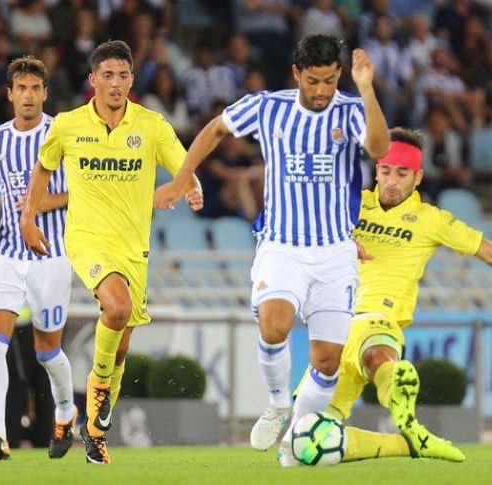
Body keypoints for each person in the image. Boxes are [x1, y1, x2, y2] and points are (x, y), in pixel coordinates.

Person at [280, 127, 492, 466]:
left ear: (417, 178)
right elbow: (303, 217)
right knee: (300, 448)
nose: (391, 180)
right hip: (331, 325)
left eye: (401, 173)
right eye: (385, 170)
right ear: (377, 170)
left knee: (376, 352)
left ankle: (394, 378)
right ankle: (407, 444)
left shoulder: (430, 220)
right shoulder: (351, 206)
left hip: (378, 318)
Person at [153, 33, 390, 457]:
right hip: (281, 245)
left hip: (336, 251)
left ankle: (296, 441)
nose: (321, 91)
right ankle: (279, 403)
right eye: (314, 81)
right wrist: (181, 176)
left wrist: (366, 88)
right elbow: (215, 129)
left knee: (326, 362)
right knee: (274, 325)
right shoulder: (267, 107)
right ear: (297, 73)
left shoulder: (352, 110)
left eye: (331, 81)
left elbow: (378, 148)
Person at [20, 40, 203, 465]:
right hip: (87, 238)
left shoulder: (152, 125)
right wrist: (29, 217)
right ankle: (97, 395)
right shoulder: (67, 125)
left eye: (123, 75)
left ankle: (97, 432)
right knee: (117, 309)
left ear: (131, 80)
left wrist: (191, 190)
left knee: (119, 346)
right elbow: (44, 166)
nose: (115, 83)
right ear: (93, 81)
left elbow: (185, 167)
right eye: (107, 75)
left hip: (133, 249)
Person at [0, 56, 76, 460]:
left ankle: (67, 410)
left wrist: (46, 202)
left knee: (48, 352)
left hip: (52, 255)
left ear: (45, 94)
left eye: (36, 89)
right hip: (7, 254)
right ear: (10, 94)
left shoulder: (63, 134)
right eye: (22, 89)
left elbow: (87, 190)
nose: (29, 96)